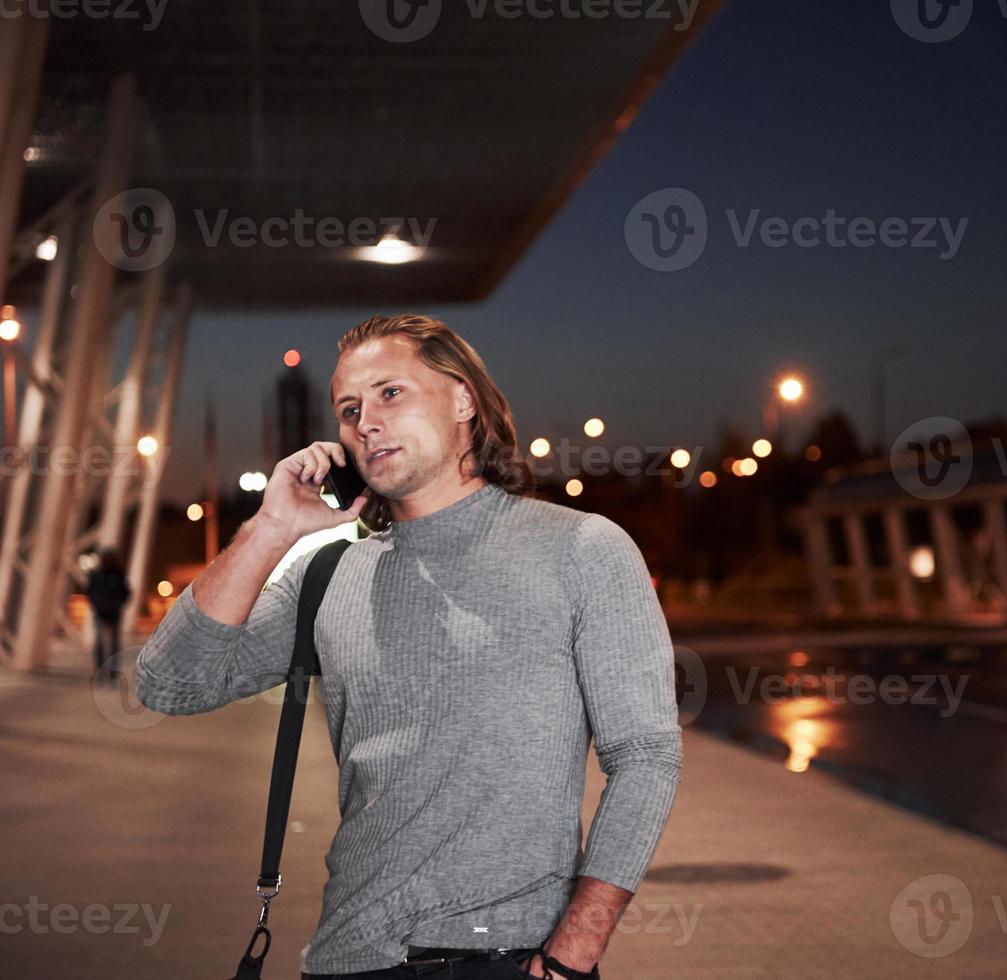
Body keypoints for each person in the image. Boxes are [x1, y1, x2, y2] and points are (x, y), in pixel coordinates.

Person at [136, 314, 683, 979]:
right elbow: (169, 684)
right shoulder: (329, 574)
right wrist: (270, 529)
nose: (365, 420)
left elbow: (645, 756)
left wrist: (573, 955)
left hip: (514, 960)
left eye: (390, 393)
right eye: (349, 408)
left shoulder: (580, 549)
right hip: (351, 959)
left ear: (463, 400)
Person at [86, 549, 131, 683]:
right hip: (100, 613)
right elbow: (90, 592)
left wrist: (117, 605)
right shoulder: (96, 575)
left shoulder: (118, 575)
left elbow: (126, 593)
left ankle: (112, 672)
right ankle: (100, 671)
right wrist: (97, 605)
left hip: (114, 614)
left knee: (113, 644)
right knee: (100, 643)